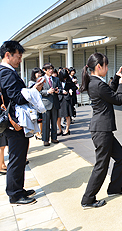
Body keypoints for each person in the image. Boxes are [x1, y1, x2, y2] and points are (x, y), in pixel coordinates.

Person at [79, 53, 122, 209]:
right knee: (101, 165)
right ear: (99, 67)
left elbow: (109, 94)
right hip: (101, 130)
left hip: (103, 129)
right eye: (106, 66)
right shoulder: (97, 84)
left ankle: (114, 188)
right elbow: (118, 99)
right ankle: (88, 199)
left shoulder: (95, 82)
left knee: (121, 158)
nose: (107, 68)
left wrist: (116, 78)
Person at [0, 41, 43, 205]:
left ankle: (18, 189)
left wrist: (32, 89)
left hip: (15, 122)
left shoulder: (7, 71)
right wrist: (34, 91)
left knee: (19, 157)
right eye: (18, 57)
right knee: (16, 158)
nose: (19, 60)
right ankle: (15, 194)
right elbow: (17, 97)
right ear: (8, 55)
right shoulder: (5, 73)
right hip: (14, 123)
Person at [40, 63, 61, 146]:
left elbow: (60, 88)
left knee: (54, 122)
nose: (51, 70)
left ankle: (54, 138)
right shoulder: (41, 79)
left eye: (51, 68)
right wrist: (47, 92)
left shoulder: (56, 79)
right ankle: (45, 139)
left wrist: (57, 91)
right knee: (45, 122)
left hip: (54, 103)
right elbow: (38, 91)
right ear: (44, 70)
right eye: (48, 69)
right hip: (46, 103)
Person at [57, 69, 77, 136]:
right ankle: (60, 130)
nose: (65, 79)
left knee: (67, 116)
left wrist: (70, 89)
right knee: (58, 116)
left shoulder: (69, 81)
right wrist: (61, 91)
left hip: (67, 99)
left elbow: (75, 87)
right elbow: (55, 89)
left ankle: (67, 130)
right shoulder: (57, 80)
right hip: (59, 99)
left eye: (65, 77)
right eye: (63, 77)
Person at [28, 67, 43, 140]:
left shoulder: (42, 80)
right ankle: (37, 133)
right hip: (34, 103)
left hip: (40, 101)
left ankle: (40, 132)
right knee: (36, 118)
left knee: (41, 118)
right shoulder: (31, 82)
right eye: (38, 73)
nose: (39, 74)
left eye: (40, 73)